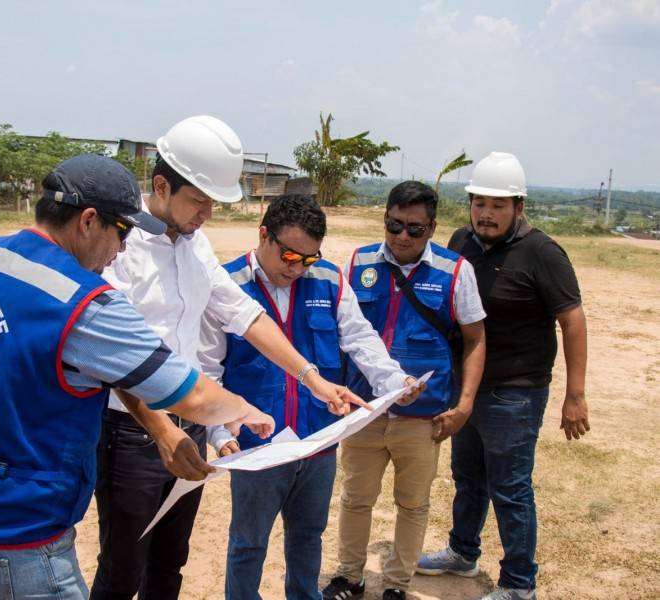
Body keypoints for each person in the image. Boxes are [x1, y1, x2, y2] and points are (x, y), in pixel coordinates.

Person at [0, 154, 275, 599]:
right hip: (14, 536)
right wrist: (244, 410)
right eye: (123, 232)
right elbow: (192, 398)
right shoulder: (84, 304)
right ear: (89, 221)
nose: (123, 249)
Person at [91, 117, 364, 600]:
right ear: (161, 186)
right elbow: (116, 358)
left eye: (213, 202)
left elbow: (246, 315)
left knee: (170, 562)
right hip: (134, 432)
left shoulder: (195, 245)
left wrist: (312, 378)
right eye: (199, 200)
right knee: (122, 569)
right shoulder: (122, 248)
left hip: (189, 423)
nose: (208, 213)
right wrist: (162, 431)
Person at [199, 194, 421, 600]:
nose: (297, 268)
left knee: (307, 538)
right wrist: (218, 431)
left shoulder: (329, 280)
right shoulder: (227, 285)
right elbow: (209, 368)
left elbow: (360, 338)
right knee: (248, 544)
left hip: (318, 442)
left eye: (308, 258)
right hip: (257, 448)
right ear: (263, 235)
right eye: (288, 256)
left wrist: (394, 381)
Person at [416, 152, 591, 600]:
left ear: (519, 206)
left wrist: (575, 395)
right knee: (467, 476)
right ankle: (462, 552)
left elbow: (572, 321)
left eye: (498, 205)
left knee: (510, 487)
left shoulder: (542, 253)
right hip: (467, 388)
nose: (486, 214)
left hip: (516, 392)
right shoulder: (462, 241)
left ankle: (518, 582)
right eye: (479, 203)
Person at [322, 181, 487, 600]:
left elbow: (475, 340)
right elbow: (341, 331)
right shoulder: (358, 262)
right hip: (366, 410)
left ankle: (397, 584)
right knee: (355, 498)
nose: (402, 237)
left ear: (432, 228)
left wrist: (464, 405)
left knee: (412, 504)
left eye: (415, 229)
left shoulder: (455, 272)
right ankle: (349, 577)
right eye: (394, 225)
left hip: (423, 416)